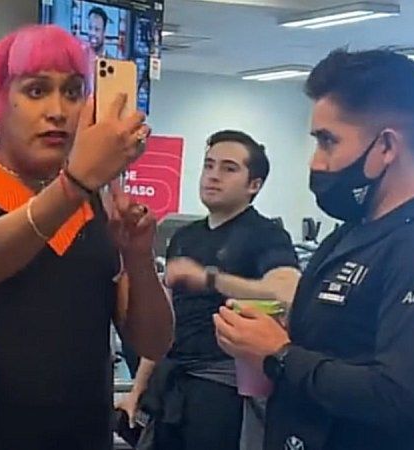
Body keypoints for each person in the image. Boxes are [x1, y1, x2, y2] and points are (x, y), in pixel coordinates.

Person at [0, 24, 174, 450]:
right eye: (36, 91)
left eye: (72, 92)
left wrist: (139, 258)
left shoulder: (98, 205)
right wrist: (77, 182)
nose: (57, 110)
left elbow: (154, 342)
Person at [215, 49, 414, 450]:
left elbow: (405, 397)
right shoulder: (348, 235)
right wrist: (272, 336)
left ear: (386, 146)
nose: (316, 163)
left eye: (328, 142)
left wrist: (279, 355)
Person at [116, 130, 301, 450]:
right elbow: (165, 324)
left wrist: (210, 279)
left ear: (254, 185)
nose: (213, 176)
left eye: (229, 168)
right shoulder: (184, 236)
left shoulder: (266, 235)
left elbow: (287, 291)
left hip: (223, 388)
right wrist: (137, 390)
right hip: (172, 382)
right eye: (209, 165)